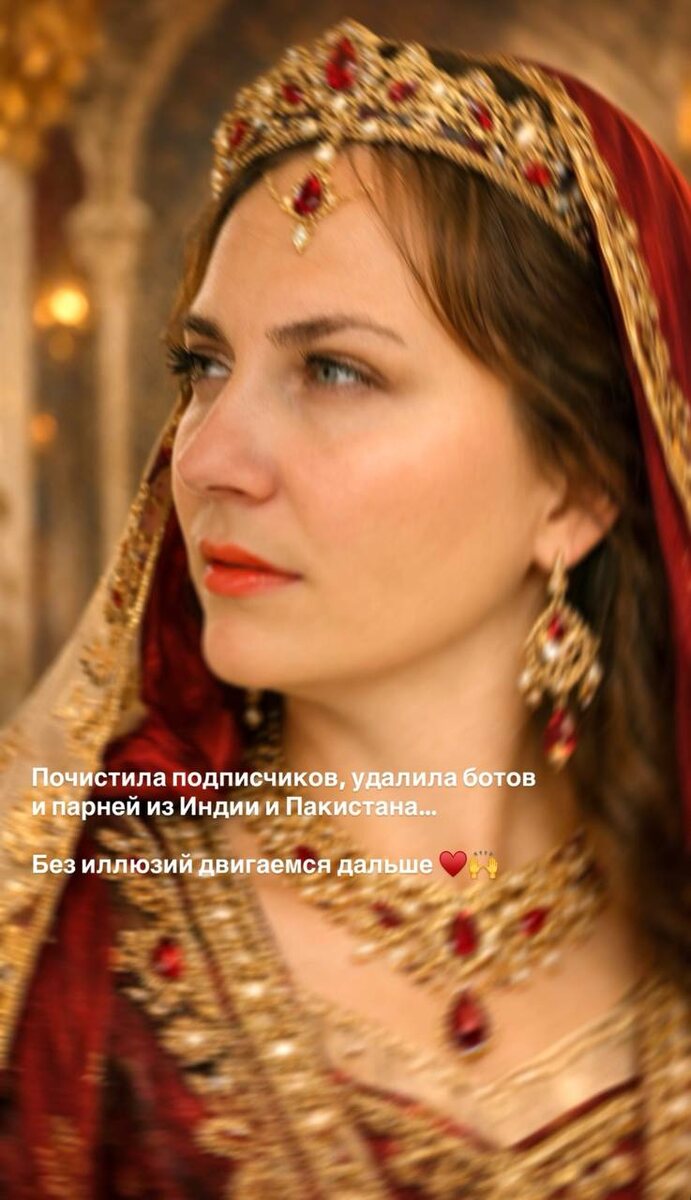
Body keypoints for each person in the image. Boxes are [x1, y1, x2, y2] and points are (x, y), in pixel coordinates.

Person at [0, 17, 689, 1198]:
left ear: (577, 485)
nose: (204, 457)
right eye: (203, 367)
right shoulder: (61, 962)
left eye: (334, 371)